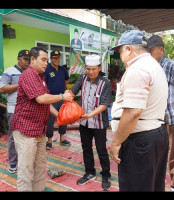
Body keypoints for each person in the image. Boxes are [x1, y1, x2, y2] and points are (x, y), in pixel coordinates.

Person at [109, 30, 169, 192]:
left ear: (129, 49)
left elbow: (133, 112)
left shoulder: (138, 69)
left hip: (140, 141)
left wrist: (116, 143)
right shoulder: (154, 66)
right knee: (152, 185)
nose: (120, 57)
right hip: (155, 134)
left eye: (120, 52)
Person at [11, 47, 73, 191]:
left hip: (39, 131)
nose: (46, 63)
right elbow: (40, 99)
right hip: (26, 131)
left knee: (39, 168)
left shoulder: (41, 78)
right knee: (26, 171)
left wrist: (61, 116)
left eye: (47, 60)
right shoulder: (28, 75)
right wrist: (63, 96)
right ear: (33, 60)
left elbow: (47, 103)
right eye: (43, 60)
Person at [147, 35, 174, 192]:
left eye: (151, 51)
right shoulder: (151, 68)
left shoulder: (171, 66)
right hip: (156, 120)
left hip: (172, 118)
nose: (149, 54)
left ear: (161, 50)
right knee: (158, 155)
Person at [70, 54, 112, 191]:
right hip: (84, 124)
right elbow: (72, 92)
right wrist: (66, 97)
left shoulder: (105, 83)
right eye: (88, 69)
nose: (90, 72)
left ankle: (106, 174)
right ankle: (90, 172)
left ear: (99, 68)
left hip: (99, 123)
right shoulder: (82, 79)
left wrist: (89, 115)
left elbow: (104, 105)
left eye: (93, 69)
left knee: (101, 150)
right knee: (86, 148)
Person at [0, 49, 30, 173]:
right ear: (18, 59)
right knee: (14, 137)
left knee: (27, 137)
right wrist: (19, 84)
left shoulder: (30, 72)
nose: (27, 62)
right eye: (24, 59)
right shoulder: (9, 71)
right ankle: (13, 163)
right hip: (14, 110)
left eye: (29, 60)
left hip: (28, 110)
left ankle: (24, 162)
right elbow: (2, 88)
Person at [44, 50, 70, 149]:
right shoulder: (47, 69)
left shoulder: (63, 69)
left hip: (62, 98)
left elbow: (67, 80)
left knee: (63, 118)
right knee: (50, 120)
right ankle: (49, 140)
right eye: (55, 58)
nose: (57, 60)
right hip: (51, 99)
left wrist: (62, 88)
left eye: (58, 58)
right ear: (51, 59)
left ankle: (62, 138)